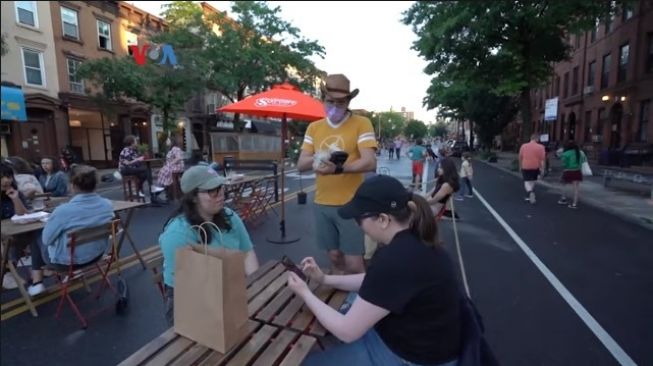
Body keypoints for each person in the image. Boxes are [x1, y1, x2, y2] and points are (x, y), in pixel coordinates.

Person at [287, 175, 462, 366]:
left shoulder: (395, 259)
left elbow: (347, 331)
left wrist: (304, 292)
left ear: (383, 219)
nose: (356, 224)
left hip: (410, 357)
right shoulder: (416, 240)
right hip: (424, 343)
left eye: (359, 218)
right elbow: (374, 280)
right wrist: (324, 279)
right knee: (340, 315)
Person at [159, 165, 260, 325]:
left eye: (220, 188)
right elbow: (187, 289)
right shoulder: (177, 234)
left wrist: (256, 286)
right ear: (193, 197)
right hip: (189, 301)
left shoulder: (230, 217)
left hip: (228, 290)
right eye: (212, 191)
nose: (220, 195)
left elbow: (247, 253)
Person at [297, 74, 377, 275]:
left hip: (351, 203)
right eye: (329, 101)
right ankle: (339, 297)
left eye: (340, 103)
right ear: (323, 99)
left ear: (348, 102)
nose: (334, 106)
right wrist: (320, 158)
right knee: (333, 256)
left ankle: (358, 301)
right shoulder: (314, 127)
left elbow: (370, 161)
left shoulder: (362, 123)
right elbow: (301, 163)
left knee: (354, 261)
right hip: (322, 203)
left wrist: (339, 168)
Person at [27, 165, 114, 296]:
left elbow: (46, 240)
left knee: (36, 236)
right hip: (96, 255)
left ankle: (37, 281)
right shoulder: (107, 204)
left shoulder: (63, 211)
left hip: (67, 263)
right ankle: (39, 279)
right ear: (96, 185)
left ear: (72, 186)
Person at [1, 162, 29, 290]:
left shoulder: (17, 193)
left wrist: (15, 198)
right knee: (10, 241)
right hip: (5, 236)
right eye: (1, 177)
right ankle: (7, 272)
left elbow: (23, 215)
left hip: (16, 232)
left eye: (8, 176)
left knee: (36, 234)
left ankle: (41, 267)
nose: (6, 180)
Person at [118, 135, 164, 200]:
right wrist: (137, 159)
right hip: (125, 169)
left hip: (132, 168)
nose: (137, 143)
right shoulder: (126, 150)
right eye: (136, 141)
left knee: (145, 173)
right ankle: (150, 189)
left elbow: (136, 161)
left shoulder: (133, 150)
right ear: (132, 143)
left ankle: (139, 190)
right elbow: (126, 163)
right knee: (145, 170)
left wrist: (141, 158)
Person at [519, 133, 546, 204]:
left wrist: (520, 166)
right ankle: (530, 194)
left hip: (525, 165)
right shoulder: (541, 147)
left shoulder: (523, 146)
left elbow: (520, 157)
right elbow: (542, 159)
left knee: (526, 181)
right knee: (532, 180)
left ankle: (529, 192)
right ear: (537, 139)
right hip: (535, 166)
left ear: (530, 138)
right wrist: (542, 169)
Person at [157, 134, 185, 200]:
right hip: (175, 166)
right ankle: (168, 192)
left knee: (164, 172)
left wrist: (170, 163)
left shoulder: (175, 148)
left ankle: (167, 191)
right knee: (163, 171)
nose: (167, 142)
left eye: (168, 140)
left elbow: (178, 158)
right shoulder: (172, 149)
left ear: (172, 142)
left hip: (176, 167)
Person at [558, 140, 583, 209]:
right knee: (576, 188)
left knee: (564, 185)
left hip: (568, 171)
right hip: (577, 171)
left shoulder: (566, 153)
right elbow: (581, 162)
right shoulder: (579, 153)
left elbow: (564, 164)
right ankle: (574, 203)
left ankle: (563, 198)